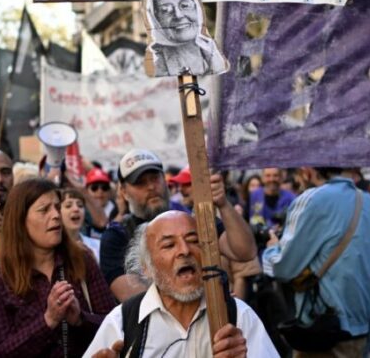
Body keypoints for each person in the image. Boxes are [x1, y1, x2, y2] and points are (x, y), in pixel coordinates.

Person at [85, 211, 278, 358]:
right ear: (147, 267)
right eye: (169, 245)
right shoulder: (122, 323)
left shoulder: (237, 316)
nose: (184, 250)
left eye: (193, 241)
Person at [0, 179, 116, 357]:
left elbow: (113, 325)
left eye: (57, 207)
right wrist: (48, 320)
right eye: (44, 210)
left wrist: (80, 319)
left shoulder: (81, 259)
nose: (56, 215)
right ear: (20, 220)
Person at [262, 167, 370, 357]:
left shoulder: (311, 199)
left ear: (308, 171)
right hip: (363, 329)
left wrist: (272, 248)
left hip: (323, 333)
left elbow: (282, 268)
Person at [100, 149, 256, 301]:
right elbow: (132, 296)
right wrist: (201, 299)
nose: (151, 187)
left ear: (164, 179)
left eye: (155, 178)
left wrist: (223, 203)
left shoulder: (195, 219)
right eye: (140, 183)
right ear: (124, 191)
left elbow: (245, 252)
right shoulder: (116, 236)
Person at [145, 0, 227, 77]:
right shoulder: (159, 63)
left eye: (185, 5)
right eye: (165, 10)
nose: (178, 15)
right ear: (156, 19)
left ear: (196, 9)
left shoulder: (211, 49)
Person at [247, 167, 296, 232]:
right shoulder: (254, 196)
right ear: (262, 178)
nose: (271, 179)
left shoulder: (291, 198)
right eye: (268, 176)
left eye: (275, 175)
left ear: (281, 177)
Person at [60, 188, 101, 263]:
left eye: (80, 205)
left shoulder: (98, 245)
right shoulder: (51, 249)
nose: (76, 209)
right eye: (68, 206)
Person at [82, 168, 116, 237]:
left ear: (110, 191)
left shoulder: (118, 210)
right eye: (94, 188)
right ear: (86, 191)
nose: (100, 191)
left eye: (104, 188)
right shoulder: (81, 211)